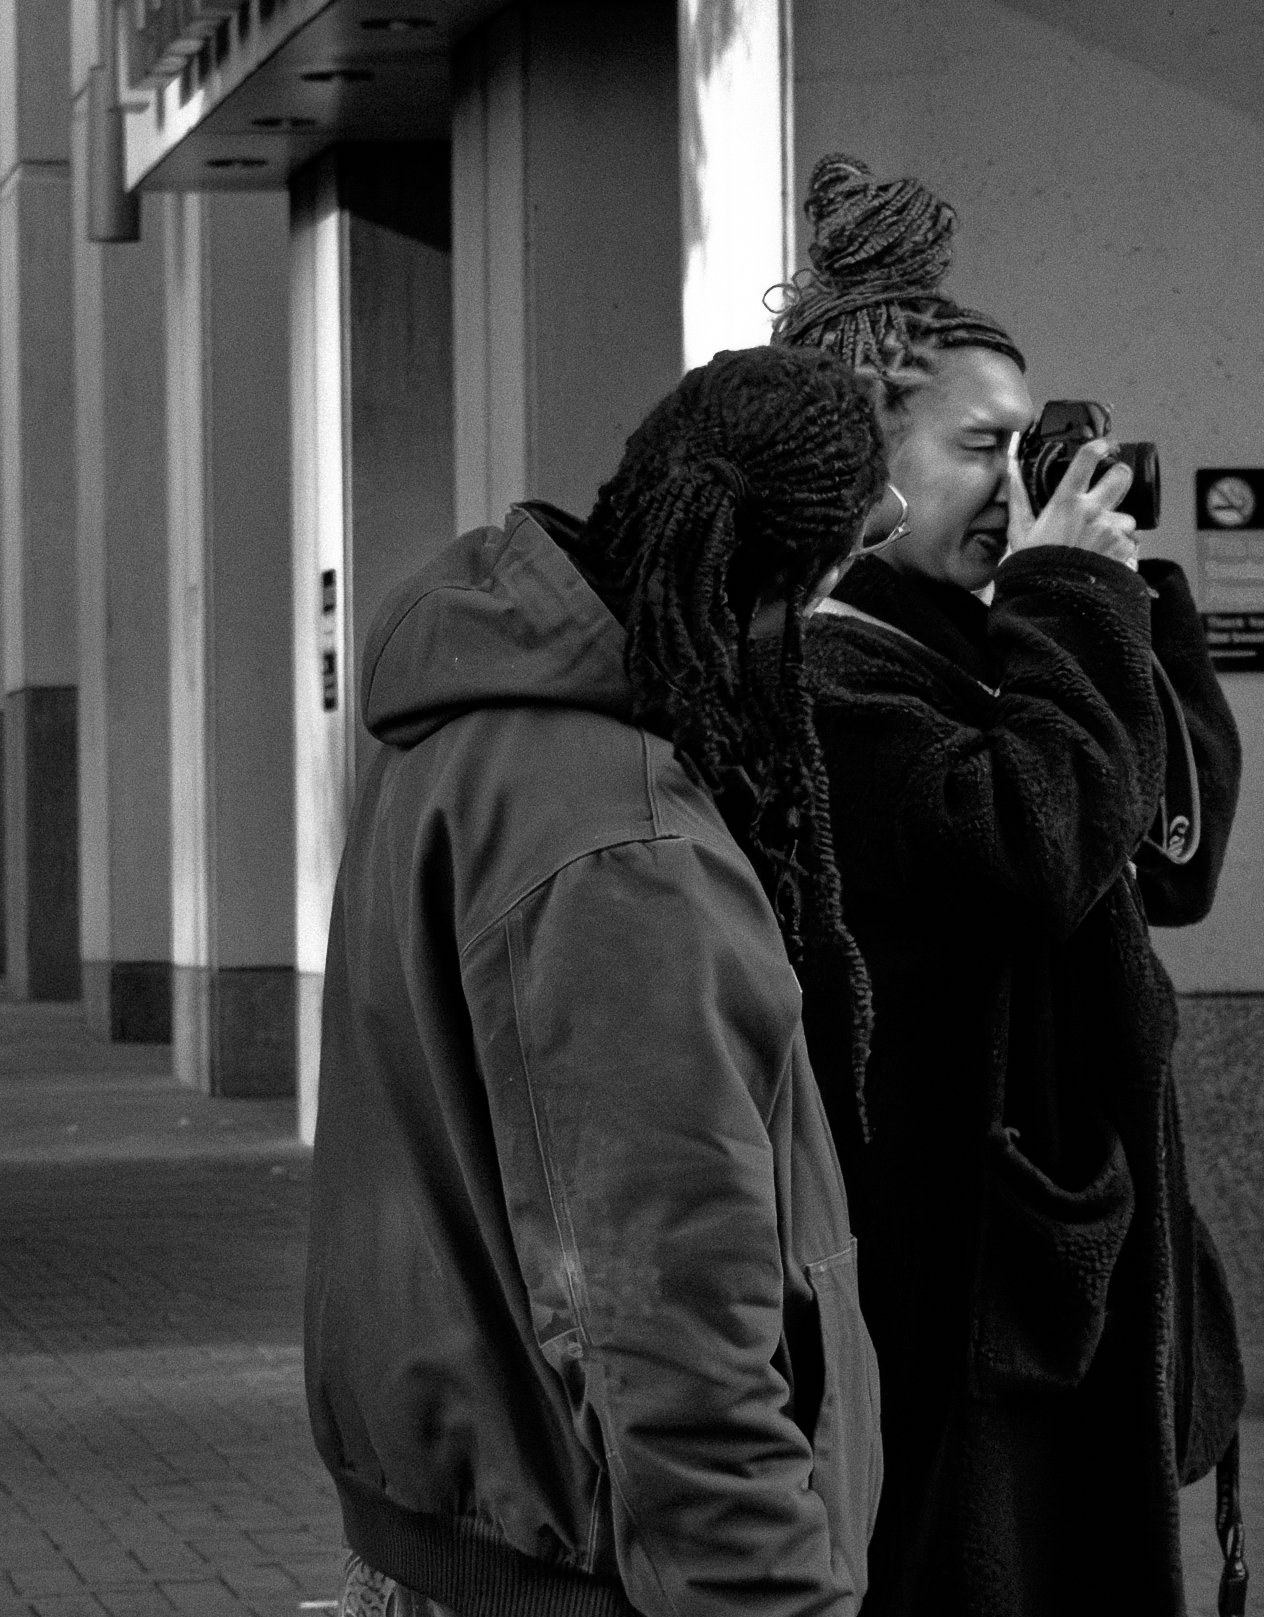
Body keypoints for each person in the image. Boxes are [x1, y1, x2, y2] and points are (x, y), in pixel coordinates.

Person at [305, 346, 899, 1617]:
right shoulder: (622, 851)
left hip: (461, 1540)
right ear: (803, 584)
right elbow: (661, 1311)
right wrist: (763, 1596)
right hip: (589, 1571)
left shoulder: (460, 737)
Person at [773, 155, 1248, 1616]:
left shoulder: (989, 647)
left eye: (1029, 446)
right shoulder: (832, 680)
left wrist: (1126, 600)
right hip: (956, 1278)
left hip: (1047, 1261)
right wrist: (1061, 603)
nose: (1016, 482)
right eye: (982, 447)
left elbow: (1173, 861)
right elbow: (1028, 852)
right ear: (863, 464)